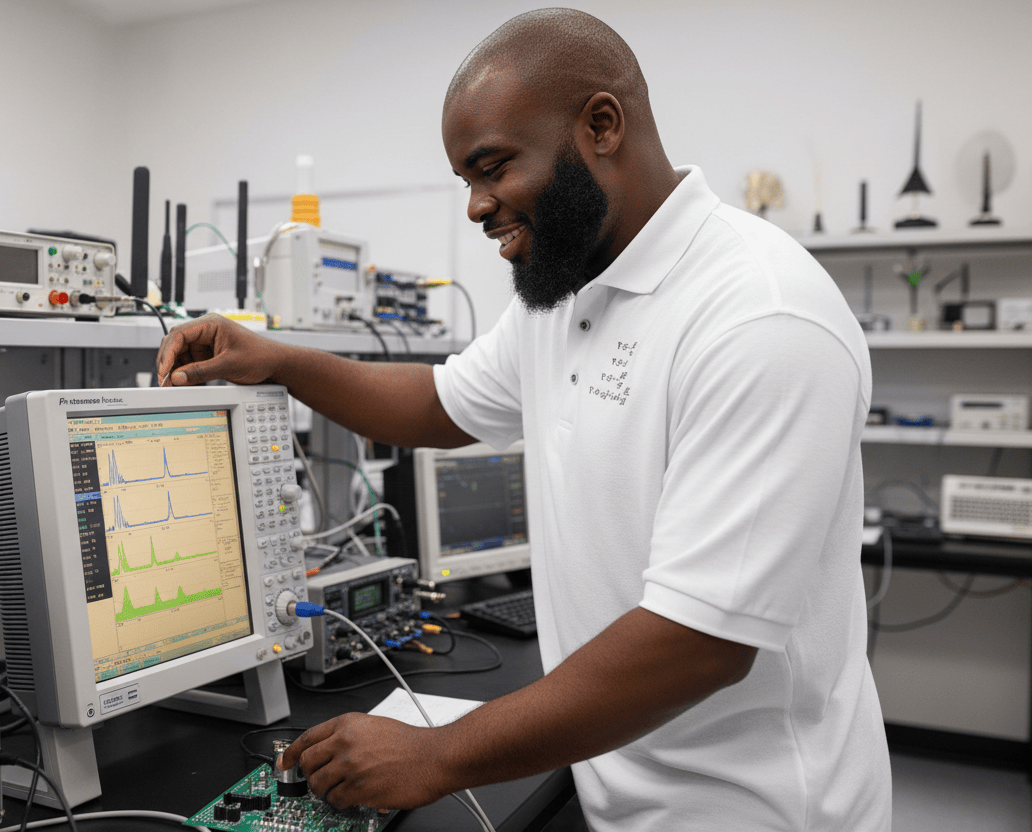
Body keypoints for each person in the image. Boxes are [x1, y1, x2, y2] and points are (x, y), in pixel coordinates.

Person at [156, 8, 892, 831]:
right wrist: (280, 359)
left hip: (750, 810)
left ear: (601, 125)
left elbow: (701, 641)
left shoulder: (759, 315)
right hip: (617, 781)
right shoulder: (568, 291)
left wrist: (439, 753)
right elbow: (439, 403)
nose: (477, 206)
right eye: (466, 181)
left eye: (492, 167)